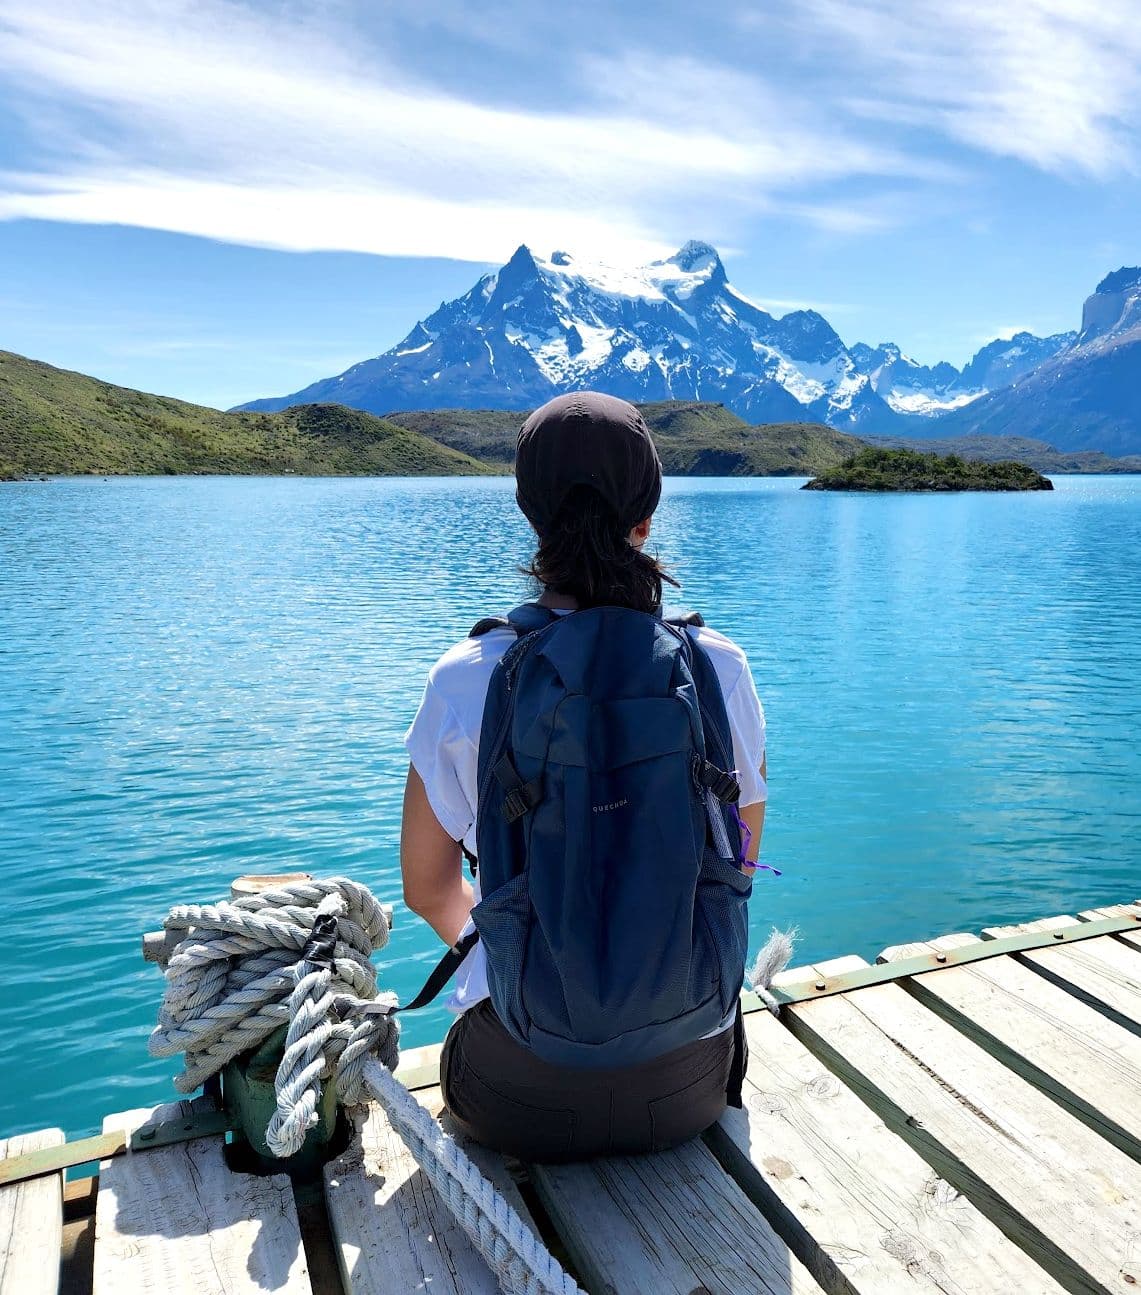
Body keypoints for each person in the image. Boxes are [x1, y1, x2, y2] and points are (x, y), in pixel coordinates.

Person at [400, 391, 768, 1162]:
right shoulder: (717, 665)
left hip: (514, 1095)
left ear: (531, 516)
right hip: (689, 1081)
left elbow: (429, 889)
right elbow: (735, 861)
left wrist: (530, 959)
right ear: (647, 516)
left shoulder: (464, 675)